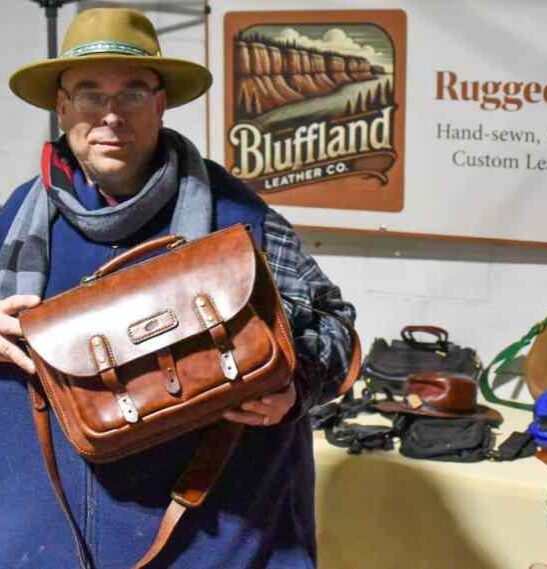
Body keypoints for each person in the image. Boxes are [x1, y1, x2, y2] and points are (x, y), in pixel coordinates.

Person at [0, 7, 355, 569]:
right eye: (89, 94)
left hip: (216, 536)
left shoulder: (238, 218)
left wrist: (296, 388)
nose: (111, 116)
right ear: (62, 106)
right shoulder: (16, 220)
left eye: (133, 93)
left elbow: (336, 328)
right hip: (50, 538)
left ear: (161, 104)